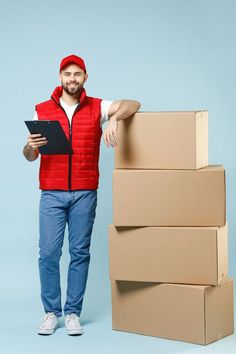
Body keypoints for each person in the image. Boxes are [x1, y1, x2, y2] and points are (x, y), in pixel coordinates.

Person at [23, 54, 141, 336]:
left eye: (77, 74)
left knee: (79, 253)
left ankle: (73, 312)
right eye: (67, 74)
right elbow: (29, 156)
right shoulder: (42, 109)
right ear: (59, 77)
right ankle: (52, 312)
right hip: (51, 192)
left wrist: (113, 119)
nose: (72, 79)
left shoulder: (97, 107)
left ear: (85, 77)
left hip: (85, 192)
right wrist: (30, 146)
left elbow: (134, 104)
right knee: (48, 254)